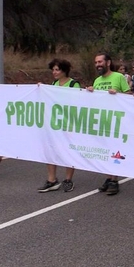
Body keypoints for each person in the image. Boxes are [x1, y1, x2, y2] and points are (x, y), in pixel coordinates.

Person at [86, 52, 130, 195]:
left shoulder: (119, 77)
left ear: (108, 63)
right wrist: (89, 92)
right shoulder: (97, 80)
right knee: (104, 151)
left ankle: (114, 180)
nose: (98, 65)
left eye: (100, 62)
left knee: (114, 151)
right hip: (101, 122)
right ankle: (108, 178)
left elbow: (130, 97)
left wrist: (118, 94)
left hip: (117, 121)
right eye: (96, 62)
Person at [36, 59, 80, 192]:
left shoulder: (73, 84)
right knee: (50, 150)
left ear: (64, 70)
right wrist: (42, 88)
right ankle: (51, 179)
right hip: (54, 124)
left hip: (68, 124)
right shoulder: (54, 83)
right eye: (53, 70)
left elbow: (78, 103)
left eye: (57, 70)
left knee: (68, 151)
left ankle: (68, 179)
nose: (54, 72)